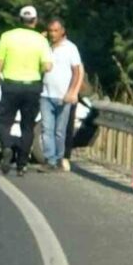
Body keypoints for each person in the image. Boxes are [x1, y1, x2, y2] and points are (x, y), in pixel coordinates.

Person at [0, 5, 53, 176]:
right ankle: (22, 164)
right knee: (27, 126)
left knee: (4, 122)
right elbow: (47, 66)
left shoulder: (7, 37)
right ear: (35, 20)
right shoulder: (41, 40)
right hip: (32, 86)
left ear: (19, 19)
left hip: (11, 85)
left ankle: (7, 146)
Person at [40, 19, 84, 172]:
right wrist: (41, 37)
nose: (52, 34)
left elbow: (77, 72)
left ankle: (60, 158)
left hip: (63, 96)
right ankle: (49, 160)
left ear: (62, 31)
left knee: (60, 131)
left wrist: (72, 92)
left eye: (55, 30)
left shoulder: (70, 48)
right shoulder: (46, 47)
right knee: (46, 129)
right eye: (50, 30)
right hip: (46, 94)